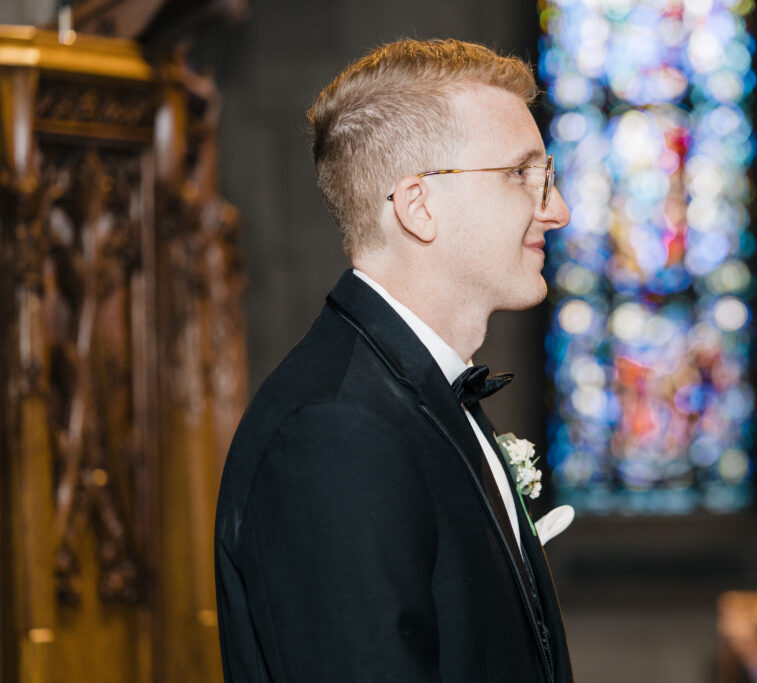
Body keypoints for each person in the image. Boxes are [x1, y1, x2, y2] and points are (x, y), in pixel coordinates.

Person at [214, 38, 574, 682]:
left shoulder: (416, 391)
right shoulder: (333, 429)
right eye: (522, 174)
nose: (556, 209)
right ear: (419, 205)